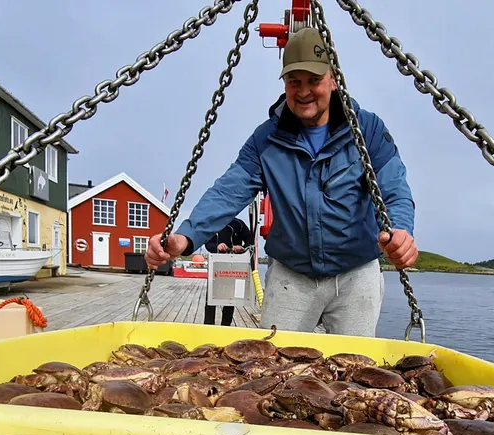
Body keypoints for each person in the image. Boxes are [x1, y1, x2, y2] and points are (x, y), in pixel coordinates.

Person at [145, 27, 417, 337]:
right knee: (274, 365)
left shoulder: (367, 129)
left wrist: (401, 231)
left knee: (354, 366)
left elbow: (394, 187)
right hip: (291, 275)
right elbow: (228, 192)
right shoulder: (266, 139)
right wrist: (184, 238)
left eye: (314, 80)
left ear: (334, 78)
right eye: (294, 81)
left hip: (356, 274)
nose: (303, 92)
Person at [202, 217, 253, 326]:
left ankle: (226, 325)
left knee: (230, 296)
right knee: (211, 296)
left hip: (233, 265)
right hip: (216, 265)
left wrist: (242, 247)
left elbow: (250, 239)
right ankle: (208, 325)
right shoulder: (213, 223)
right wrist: (217, 246)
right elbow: (207, 244)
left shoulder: (238, 223)